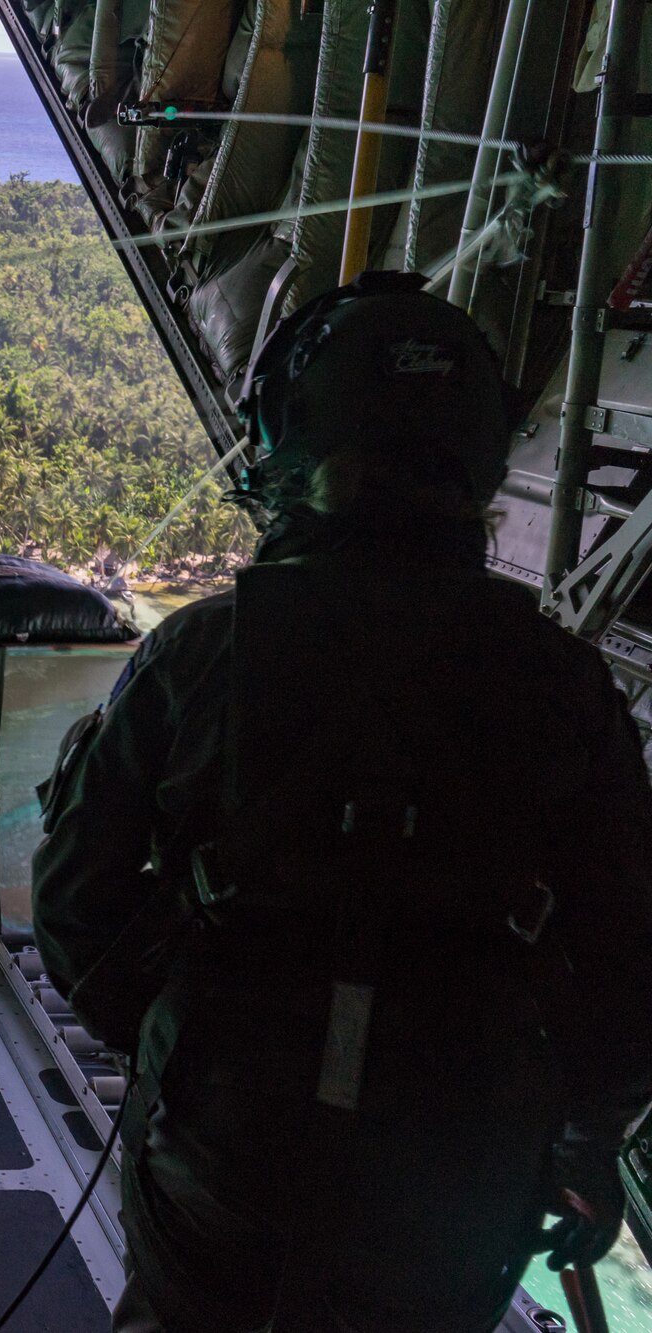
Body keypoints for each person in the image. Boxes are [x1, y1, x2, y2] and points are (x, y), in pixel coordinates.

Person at [32, 270, 652, 1331]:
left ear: (293, 441)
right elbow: (629, 952)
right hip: (454, 1163)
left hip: (229, 1147)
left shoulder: (198, 654)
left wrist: (181, 1033)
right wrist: (581, 1134)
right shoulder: (564, 685)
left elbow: (76, 902)